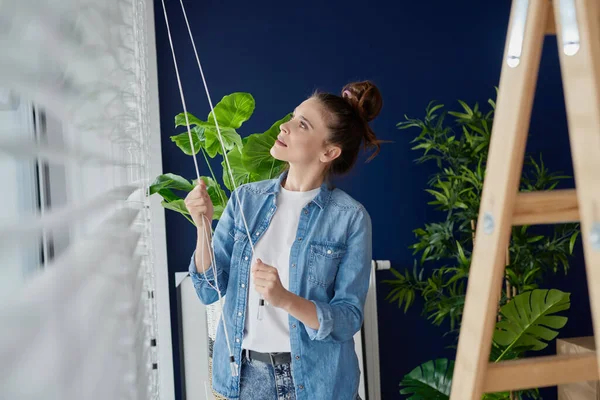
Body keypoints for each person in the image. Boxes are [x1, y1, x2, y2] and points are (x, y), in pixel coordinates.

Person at [185, 81, 383, 400]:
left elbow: (347, 319)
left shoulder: (350, 217)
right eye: (292, 116)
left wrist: (284, 298)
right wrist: (203, 225)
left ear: (329, 152)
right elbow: (208, 290)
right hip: (246, 381)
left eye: (302, 124)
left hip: (320, 384)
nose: (285, 126)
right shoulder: (245, 200)